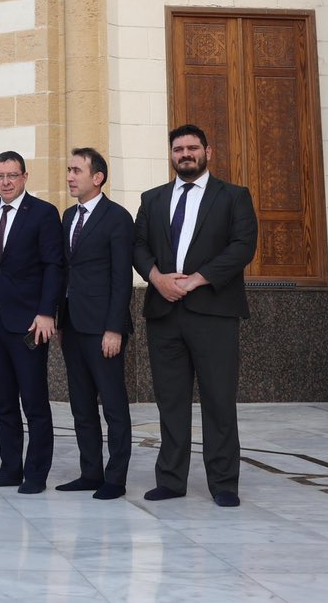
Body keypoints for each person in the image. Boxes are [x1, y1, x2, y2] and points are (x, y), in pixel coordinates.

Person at [132, 123, 259, 506]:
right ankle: (171, 479)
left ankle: (223, 483)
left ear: (208, 151)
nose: (185, 154)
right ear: (170, 155)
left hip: (214, 313)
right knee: (170, 401)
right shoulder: (152, 199)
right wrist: (157, 279)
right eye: (178, 149)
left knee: (219, 399)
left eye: (192, 148)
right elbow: (137, 246)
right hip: (164, 313)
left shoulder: (234, 197)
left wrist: (196, 280)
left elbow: (243, 246)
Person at [0, 149, 62, 494]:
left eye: (12, 175)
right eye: (0, 176)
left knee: (34, 401)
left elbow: (53, 266)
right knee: (1, 400)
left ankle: (36, 473)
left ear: (25, 177)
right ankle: (10, 467)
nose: (6, 182)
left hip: (29, 323)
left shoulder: (42, 213)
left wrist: (46, 312)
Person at [57, 147, 135, 500]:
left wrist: (114, 328)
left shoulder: (117, 218)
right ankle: (90, 471)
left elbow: (122, 278)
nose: (70, 176)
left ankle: (115, 478)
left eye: (76, 170)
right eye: (69, 170)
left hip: (104, 329)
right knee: (81, 404)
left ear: (97, 177)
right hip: (72, 326)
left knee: (114, 405)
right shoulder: (68, 216)